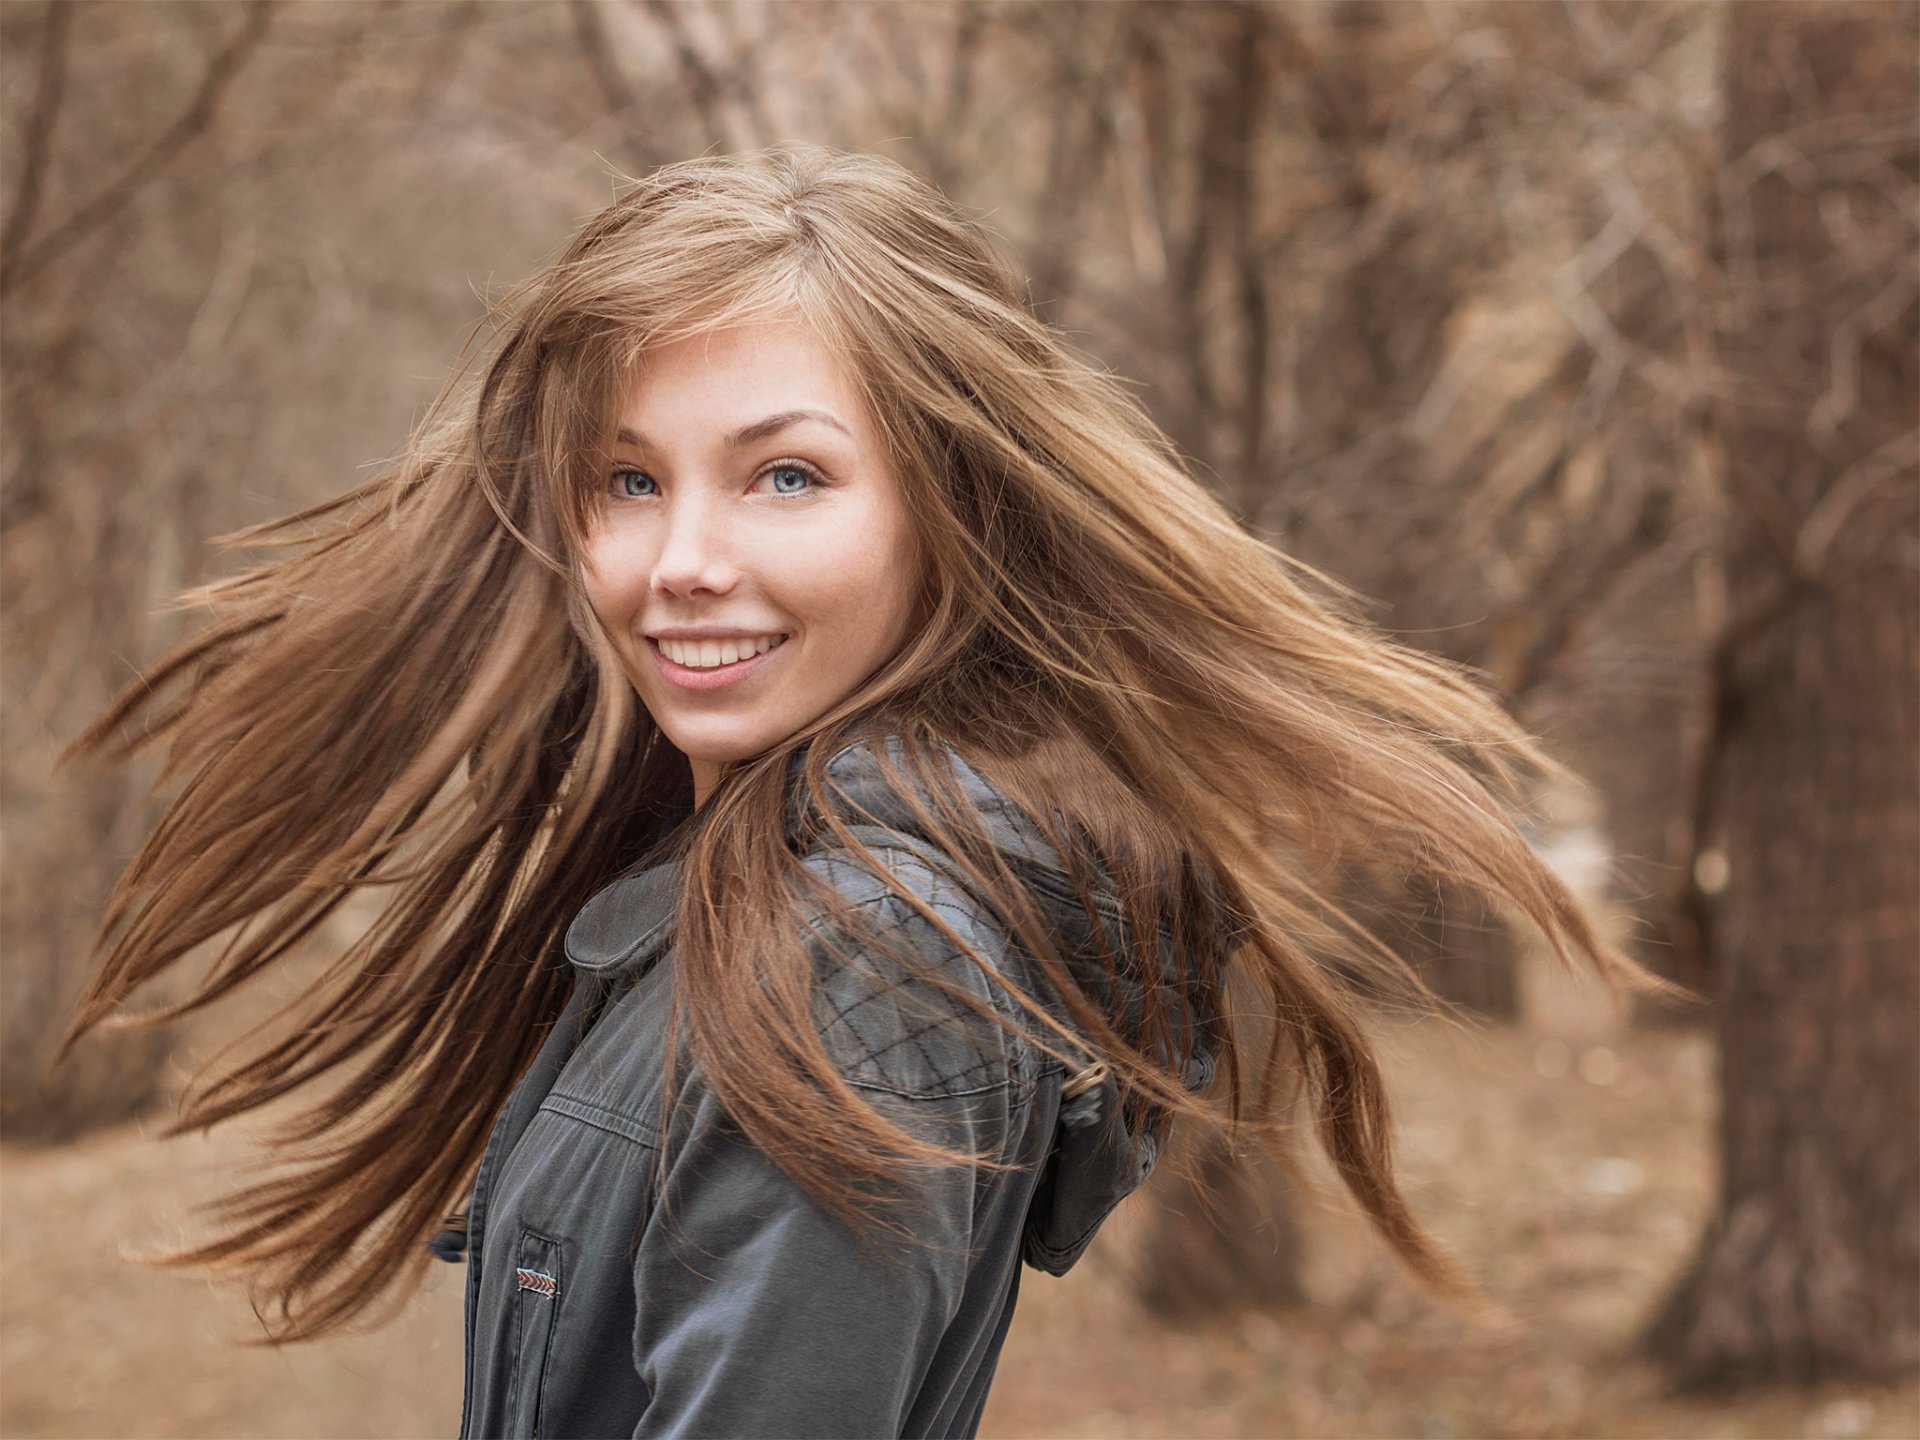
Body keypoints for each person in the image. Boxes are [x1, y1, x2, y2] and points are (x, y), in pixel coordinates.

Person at [61, 147, 1668, 1438]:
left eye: (787, 475)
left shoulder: (857, 967)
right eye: (629, 480)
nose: (683, 563)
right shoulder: (740, 889)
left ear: (942, 518)